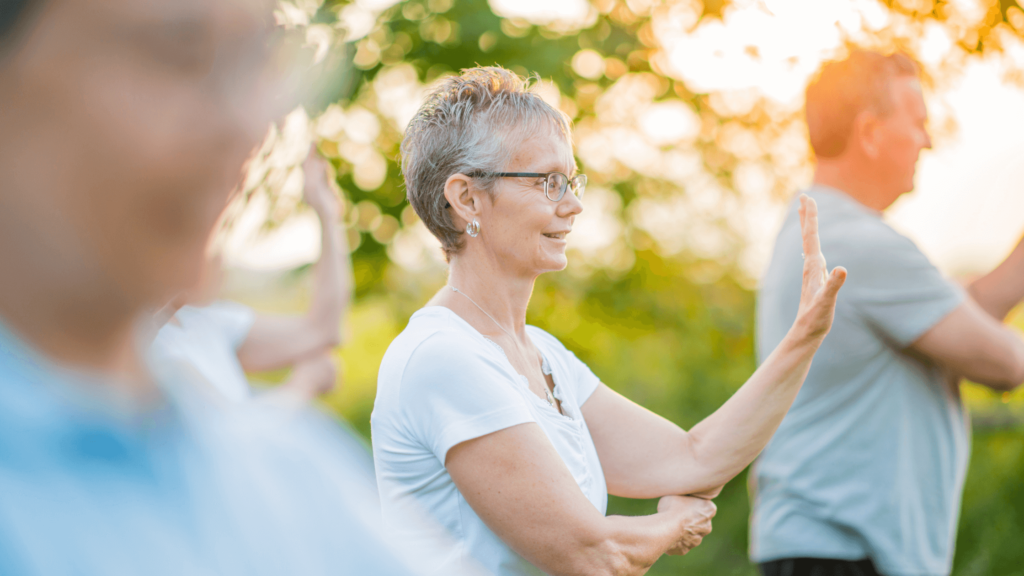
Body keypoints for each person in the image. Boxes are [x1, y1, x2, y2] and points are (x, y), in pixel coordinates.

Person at [371, 66, 847, 576]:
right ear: (467, 198)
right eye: (550, 183)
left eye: (571, 181)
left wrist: (804, 337)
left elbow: (694, 458)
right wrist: (671, 524)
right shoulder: (444, 358)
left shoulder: (545, 355)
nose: (574, 205)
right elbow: (593, 555)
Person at [0, 0, 416, 574]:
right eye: (177, 52)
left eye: (257, 60)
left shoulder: (294, 479)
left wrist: (325, 212)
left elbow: (321, 329)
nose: (243, 126)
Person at [751, 50, 1024, 576]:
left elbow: (965, 308)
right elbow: (1004, 362)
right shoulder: (860, 244)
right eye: (919, 122)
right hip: (844, 554)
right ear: (871, 132)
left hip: (822, 548)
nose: (929, 140)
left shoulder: (821, 228)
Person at [151, 148, 351, 407]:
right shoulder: (138, 345)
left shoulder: (201, 321)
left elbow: (321, 330)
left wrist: (327, 214)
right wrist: (304, 385)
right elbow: (229, 437)